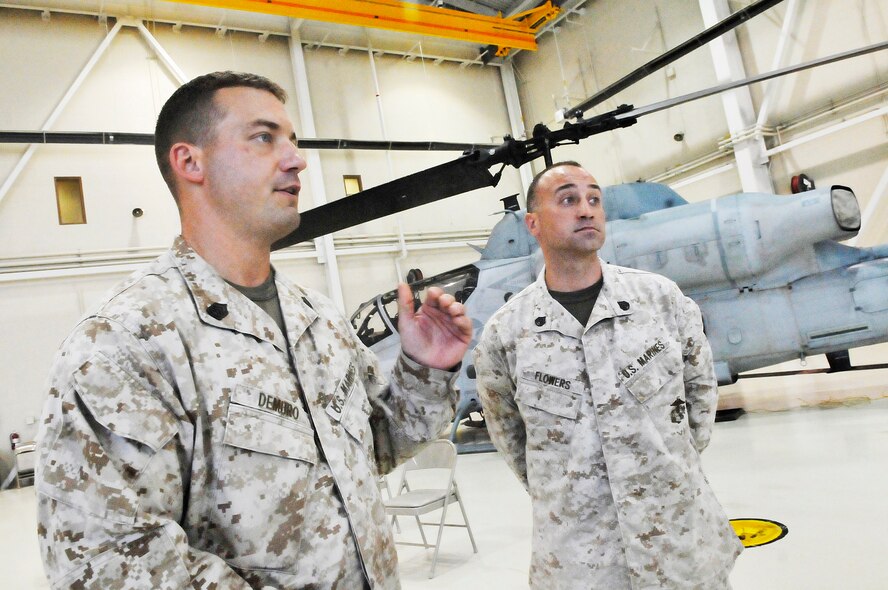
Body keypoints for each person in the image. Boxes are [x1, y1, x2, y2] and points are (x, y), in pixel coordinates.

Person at [35, 71, 471, 589]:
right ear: (190, 162)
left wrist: (425, 368)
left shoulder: (318, 319)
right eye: (264, 138)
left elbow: (373, 448)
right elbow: (106, 561)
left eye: (292, 140)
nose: (296, 158)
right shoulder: (125, 342)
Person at [473, 161, 742, 589]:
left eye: (594, 199)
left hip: (680, 549)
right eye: (568, 199)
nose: (586, 209)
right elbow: (512, 440)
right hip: (582, 563)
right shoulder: (506, 334)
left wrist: (664, 469)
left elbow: (700, 399)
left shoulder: (659, 300)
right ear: (533, 223)